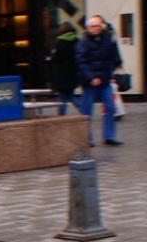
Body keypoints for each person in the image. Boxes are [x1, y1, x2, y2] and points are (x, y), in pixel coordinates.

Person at [75, 15, 123, 146]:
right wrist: (91, 77)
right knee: (87, 111)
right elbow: (81, 62)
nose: (96, 28)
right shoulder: (83, 43)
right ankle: (87, 138)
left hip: (105, 80)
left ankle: (109, 136)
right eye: (93, 26)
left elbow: (112, 54)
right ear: (87, 28)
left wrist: (113, 68)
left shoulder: (106, 39)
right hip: (90, 82)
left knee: (110, 107)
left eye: (97, 26)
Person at [49, 23, 84, 115]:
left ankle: (62, 115)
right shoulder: (77, 41)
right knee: (69, 95)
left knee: (64, 96)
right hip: (73, 72)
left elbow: (55, 58)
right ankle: (83, 111)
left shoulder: (60, 42)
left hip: (62, 74)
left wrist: (51, 57)